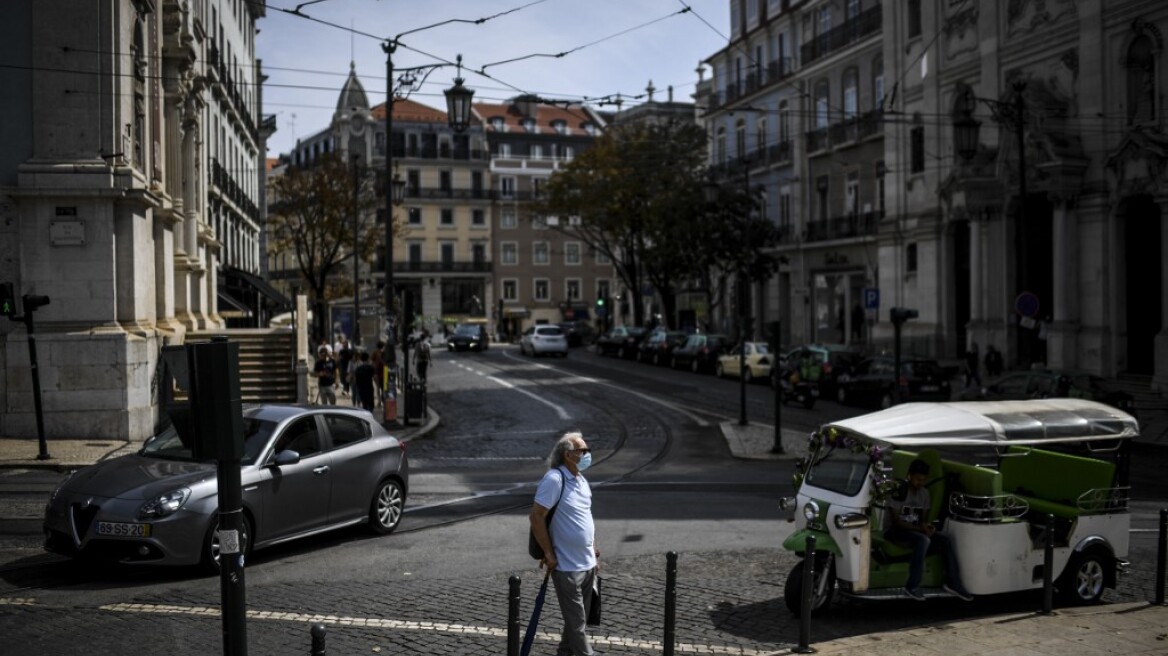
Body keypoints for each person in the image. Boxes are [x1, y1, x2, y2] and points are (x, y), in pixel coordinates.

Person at [530, 432, 599, 656]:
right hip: (566, 566)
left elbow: (584, 516)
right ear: (569, 455)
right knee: (577, 625)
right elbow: (537, 517)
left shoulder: (581, 480)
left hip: (588, 564)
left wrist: (592, 545)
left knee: (576, 626)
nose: (588, 455)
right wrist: (549, 553)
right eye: (583, 451)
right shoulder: (554, 479)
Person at [884, 459, 973, 602]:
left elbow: (921, 520)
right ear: (909, 476)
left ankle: (953, 583)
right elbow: (896, 522)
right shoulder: (899, 491)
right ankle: (912, 585)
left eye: (923, 480)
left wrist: (927, 528)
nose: (920, 483)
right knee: (922, 540)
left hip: (914, 531)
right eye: (918, 479)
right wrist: (921, 529)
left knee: (944, 541)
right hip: (895, 531)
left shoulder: (924, 494)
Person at [370, 341, 386, 407]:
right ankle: (383, 399)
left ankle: (379, 401)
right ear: (382, 346)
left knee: (378, 388)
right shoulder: (384, 353)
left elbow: (372, 362)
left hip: (376, 373)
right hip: (384, 373)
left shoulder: (375, 353)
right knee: (384, 388)